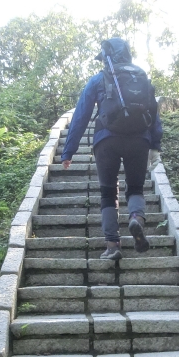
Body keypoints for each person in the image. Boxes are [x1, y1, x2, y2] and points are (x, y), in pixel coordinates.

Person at [60, 38, 162, 261]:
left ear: (106, 58)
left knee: (108, 193)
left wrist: (68, 151)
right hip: (139, 140)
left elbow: (81, 115)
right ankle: (136, 218)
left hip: (106, 141)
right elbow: (153, 112)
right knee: (135, 188)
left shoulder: (99, 79)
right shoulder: (140, 76)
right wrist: (155, 145)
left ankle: (113, 245)